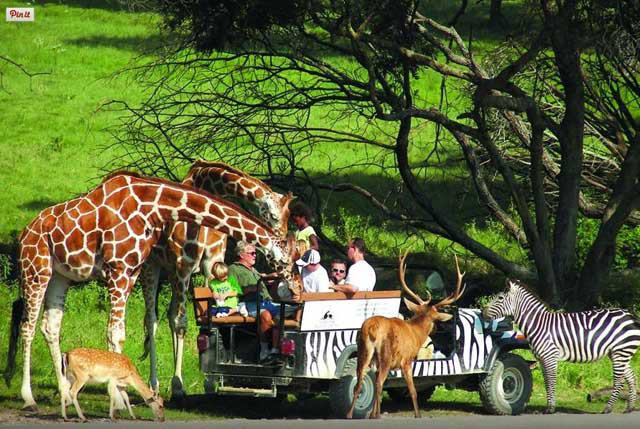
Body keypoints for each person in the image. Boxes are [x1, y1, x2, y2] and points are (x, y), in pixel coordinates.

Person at [228, 241, 282, 360]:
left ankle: (277, 349)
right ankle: (264, 350)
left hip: (266, 301)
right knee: (265, 315)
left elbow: (263, 281)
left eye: (255, 253)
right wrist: (250, 289)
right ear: (241, 255)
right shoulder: (233, 269)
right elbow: (232, 290)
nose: (254, 255)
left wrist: (270, 278)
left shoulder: (253, 269)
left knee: (285, 311)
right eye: (251, 253)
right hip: (249, 303)